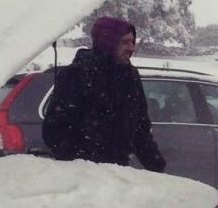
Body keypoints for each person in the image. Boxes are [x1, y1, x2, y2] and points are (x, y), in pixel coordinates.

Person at [42, 16, 165, 172]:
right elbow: (53, 129)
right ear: (109, 42)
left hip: (118, 171)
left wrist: (156, 166)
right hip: (83, 173)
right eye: (125, 42)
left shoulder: (130, 76)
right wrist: (80, 161)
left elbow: (140, 128)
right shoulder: (77, 74)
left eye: (133, 42)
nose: (132, 48)